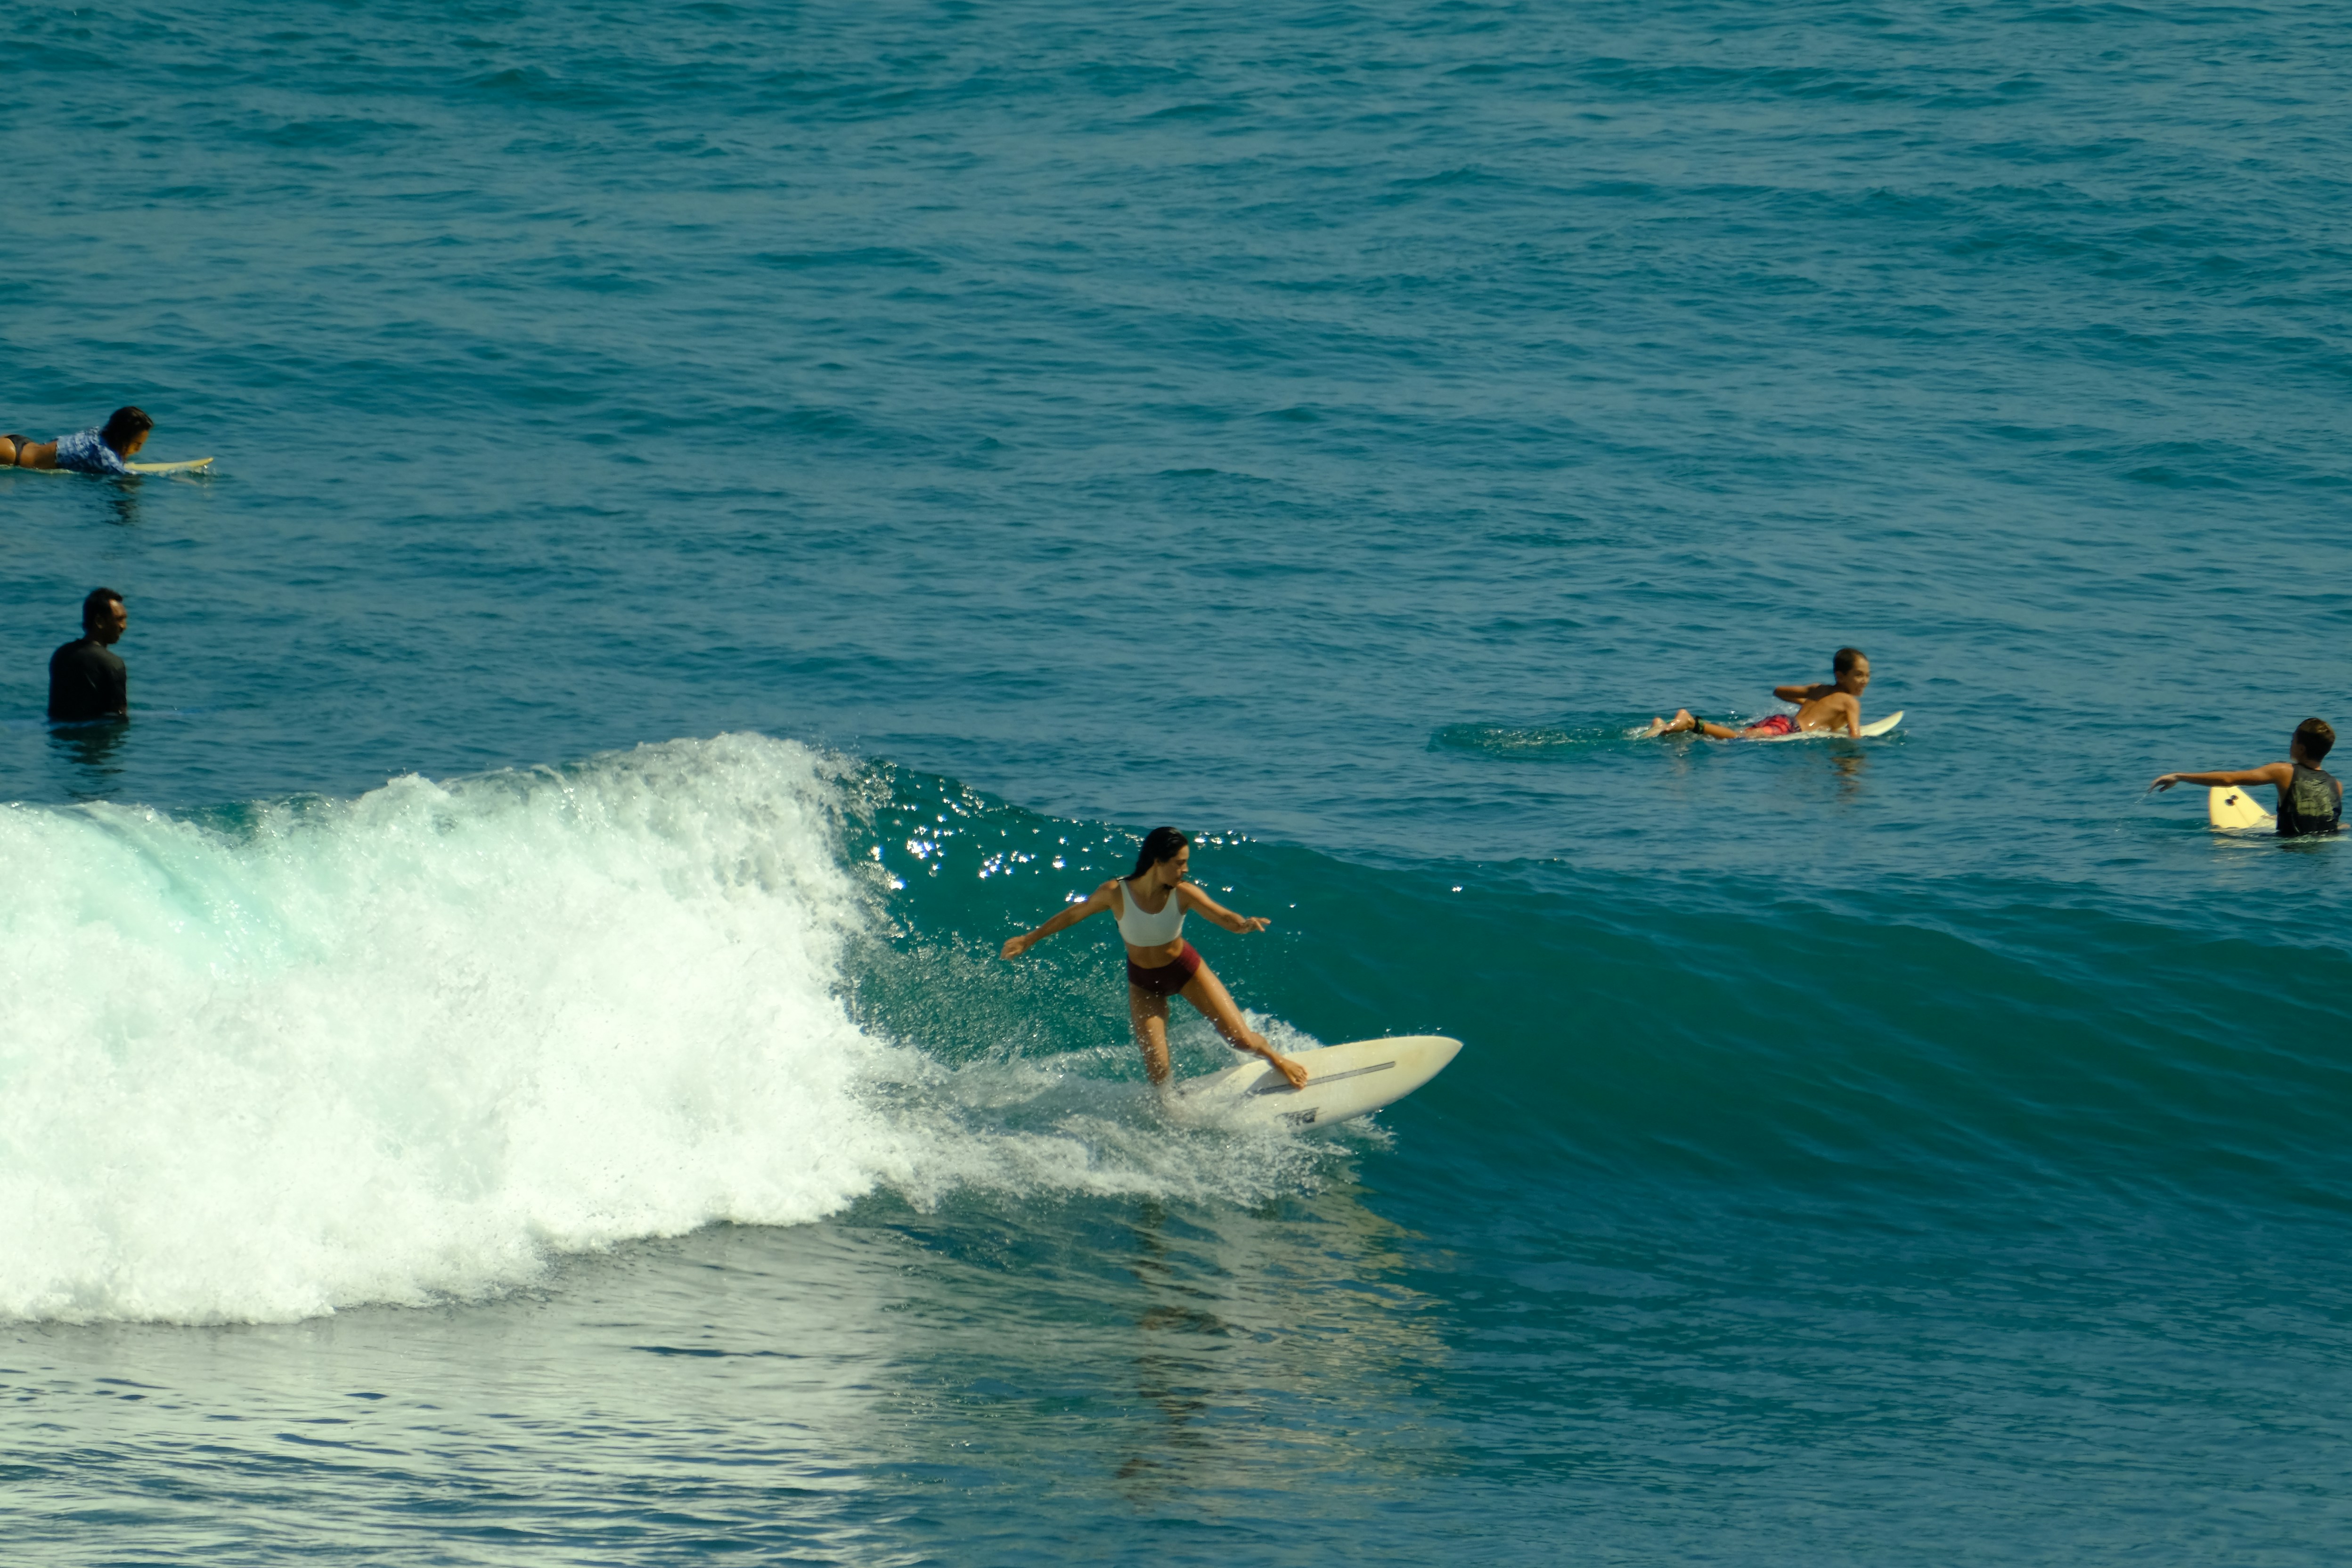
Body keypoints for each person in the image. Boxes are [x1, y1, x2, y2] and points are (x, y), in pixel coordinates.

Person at [999, 826, 1309, 1091]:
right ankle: (1170, 1111)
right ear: (1157, 862)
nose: (1185, 870)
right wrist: (1029, 939)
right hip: (1143, 982)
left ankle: (1275, 1057)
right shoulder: (1115, 892)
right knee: (1158, 1071)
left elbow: (1223, 916)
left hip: (1185, 970)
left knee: (1240, 1040)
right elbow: (1073, 915)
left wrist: (1244, 925)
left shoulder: (1183, 892)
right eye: (1179, 863)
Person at [2151, 719, 2341, 837]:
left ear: (2301, 749)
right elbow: (2319, 819)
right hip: (2322, 848)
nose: (2290, 743)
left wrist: (2180, 776)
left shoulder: (2284, 771)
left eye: (2293, 740)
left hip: (2287, 849)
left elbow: (2228, 780)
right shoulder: (2336, 785)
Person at [1647, 647, 1872, 739]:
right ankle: (1690, 722)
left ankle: (1664, 726)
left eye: (1867, 675)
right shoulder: (1851, 703)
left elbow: (1779, 692)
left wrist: (1814, 702)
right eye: (1859, 675)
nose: (1865, 681)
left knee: (1732, 736)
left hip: (1782, 722)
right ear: (1841, 676)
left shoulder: (1818, 689)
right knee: (1738, 739)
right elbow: (1854, 736)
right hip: (1791, 729)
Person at [48, 588, 130, 723]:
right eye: (119, 619)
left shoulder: (61, 655)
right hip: (96, 737)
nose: (124, 626)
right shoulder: (113, 664)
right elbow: (119, 717)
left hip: (60, 738)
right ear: (99, 621)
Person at [6, 407, 154, 474]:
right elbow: (127, 480)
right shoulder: (104, 456)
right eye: (136, 445)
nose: (139, 450)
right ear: (122, 438)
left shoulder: (98, 434)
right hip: (14, 456)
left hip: (20, 444)